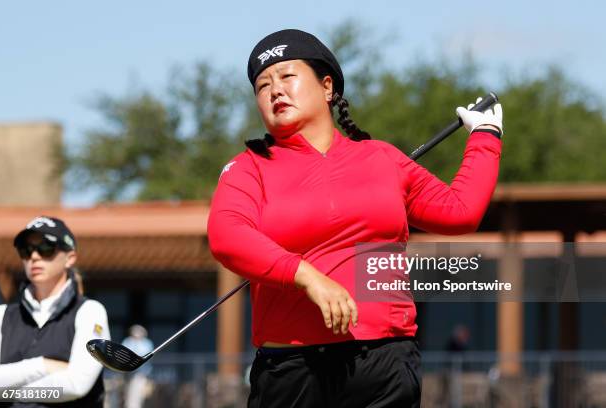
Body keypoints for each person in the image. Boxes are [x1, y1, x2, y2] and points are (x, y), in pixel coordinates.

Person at [207, 29, 503, 407]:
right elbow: (226, 236)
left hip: (386, 364)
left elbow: (461, 212)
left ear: (327, 87)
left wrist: (486, 137)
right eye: (262, 85)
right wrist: (308, 277)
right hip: (294, 370)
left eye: (287, 76)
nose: (275, 90)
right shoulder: (248, 169)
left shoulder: (381, 158)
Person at [0, 216, 110, 407]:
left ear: (70, 258)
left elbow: (76, 384)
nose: (34, 256)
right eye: (26, 250)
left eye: (46, 248)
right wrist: (42, 366)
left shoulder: (90, 311)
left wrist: (10, 392)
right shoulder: (1, 315)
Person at [121, 324, 154, 408]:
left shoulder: (147, 343)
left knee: (137, 395)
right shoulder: (127, 341)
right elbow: (122, 354)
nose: (136, 333)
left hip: (141, 374)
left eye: (139, 332)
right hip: (127, 373)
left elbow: (145, 356)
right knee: (127, 394)